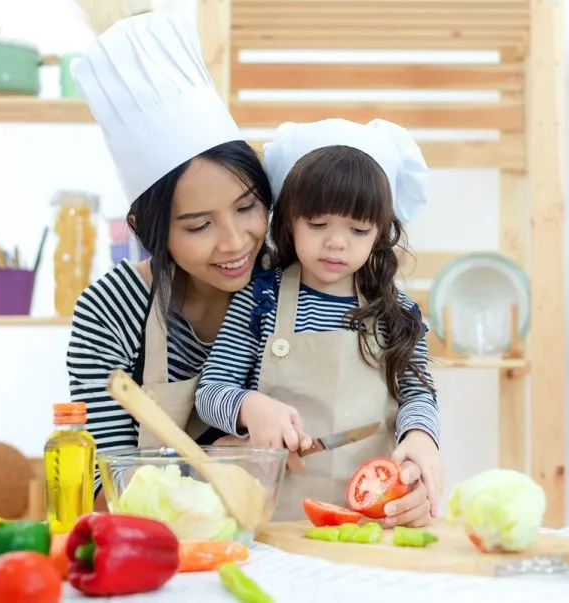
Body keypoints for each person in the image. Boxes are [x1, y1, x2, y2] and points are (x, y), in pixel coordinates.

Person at [65, 11, 273, 509]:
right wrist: (218, 461)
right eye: (199, 225)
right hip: (162, 546)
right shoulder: (110, 310)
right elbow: (104, 492)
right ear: (146, 232)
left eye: (247, 207)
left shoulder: (292, 280)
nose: (234, 242)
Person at [195, 118, 444, 526]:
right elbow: (210, 394)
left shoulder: (397, 312)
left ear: (381, 231)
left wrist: (421, 438)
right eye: (317, 224)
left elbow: (418, 396)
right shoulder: (260, 298)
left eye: (358, 229)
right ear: (289, 220)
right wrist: (249, 406)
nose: (336, 242)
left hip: (371, 521)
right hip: (269, 522)